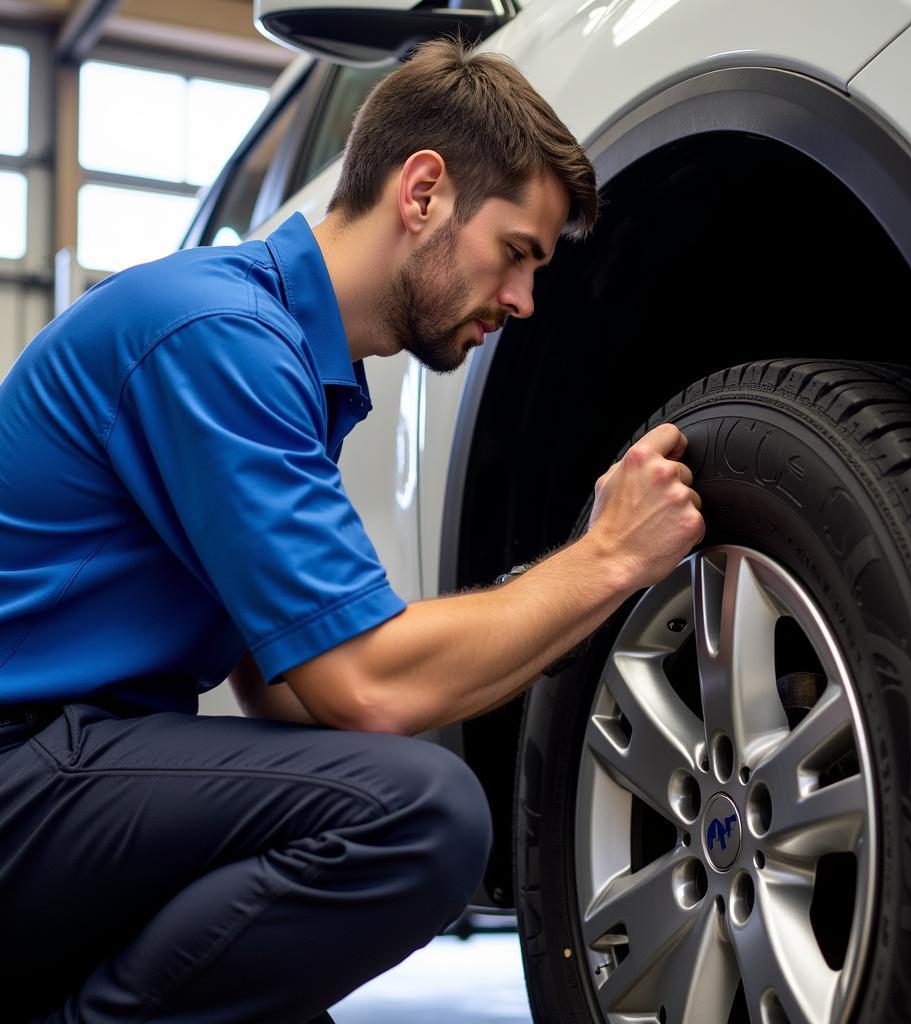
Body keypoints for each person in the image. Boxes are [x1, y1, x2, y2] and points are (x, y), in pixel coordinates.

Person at [0, 38, 704, 1024]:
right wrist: (602, 559)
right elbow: (365, 690)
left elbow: (291, 700)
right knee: (421, 811)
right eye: (516, 253)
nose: (523, 302)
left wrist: (545, 609)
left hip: (71, 773)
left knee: (272, 976)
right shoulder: (220, 336)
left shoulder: (286, 361)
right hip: (24, 773)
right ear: (422, 192)